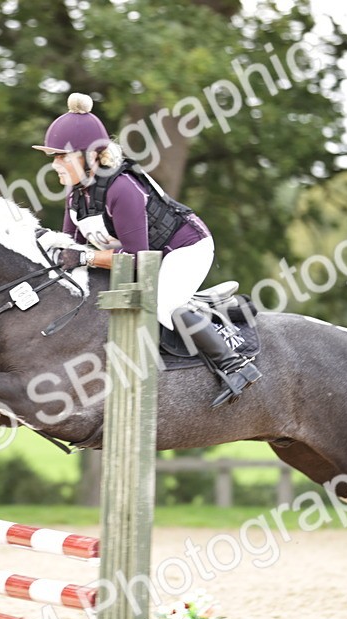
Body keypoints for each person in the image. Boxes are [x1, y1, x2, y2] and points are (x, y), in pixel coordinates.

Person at [32, 93, 261, 407]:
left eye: (62, 156)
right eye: (54, 157)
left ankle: (235, 364)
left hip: (185, 248)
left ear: (92, 156)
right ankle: (199, 306)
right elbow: (71, 249)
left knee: (164, 306)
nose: (55, 164)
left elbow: (137, 260)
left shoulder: (121, 188)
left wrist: (84, 257)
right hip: (149, 258)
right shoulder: (77, 197)